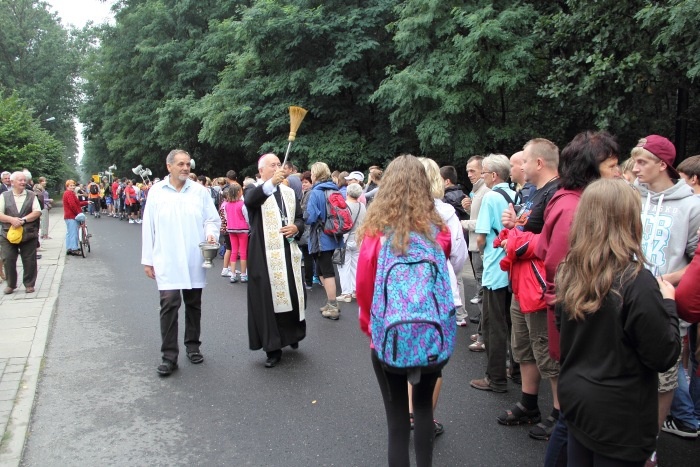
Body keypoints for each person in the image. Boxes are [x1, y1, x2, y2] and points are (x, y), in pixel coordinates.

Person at [556, 178, 680, 466]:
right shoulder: (636, 282)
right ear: (630, 220)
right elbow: (662, 354)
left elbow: (564, 329)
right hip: (620, 416)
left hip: (577, 401)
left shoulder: (569, 270)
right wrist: (669, 304)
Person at [356, 154, 452, 467]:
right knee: (423, 410)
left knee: (397, 422)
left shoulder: (375, 236)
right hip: (430, 337)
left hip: (388, 337)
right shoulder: (439, 233)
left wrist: (371, 326)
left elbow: (365, 289)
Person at [535, 130, 620, 465]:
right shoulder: (575, 207)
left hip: (571, 318)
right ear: (591, 168)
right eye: (611, 165)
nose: (618, 172)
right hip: (577, 320)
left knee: (574, 418)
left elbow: (543, 247)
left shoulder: (566, 198)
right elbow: (557, 263)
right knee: (573, 418)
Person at [631, 135, 700, 446]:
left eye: (642, 161)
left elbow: (696, 261)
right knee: (629, 375)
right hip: (629, 302)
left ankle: (650, 444)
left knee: (664, 378)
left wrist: (666, 280)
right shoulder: (633, 197)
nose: (634, 168)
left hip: (664, 304)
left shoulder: (692, 205)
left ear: (663, 165)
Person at [497, 138, 562, 440]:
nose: (519, 166)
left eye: (523, 161)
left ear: (538, 163)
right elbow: (525, 231)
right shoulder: (534, 194)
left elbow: (549, 243)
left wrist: (516, 239)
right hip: (522, 282)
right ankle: (529, 403)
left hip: (538, 285)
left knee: (547, 351)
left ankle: (560, 414)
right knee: (523, 346)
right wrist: (513, 228)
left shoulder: (557, 194)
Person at [141, 149, 221, 377]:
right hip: (166, 257)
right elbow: (149, 226)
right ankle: (169, 356)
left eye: (188, 164)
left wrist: (211, 234)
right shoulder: (157, 192)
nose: (186, 168)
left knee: (194, 303)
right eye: (181, 164)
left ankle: (193, 346)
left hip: (194, 256)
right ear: (169, 167)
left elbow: (211, 219)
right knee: (169, 304)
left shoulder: (199, 192)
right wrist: (148, 259)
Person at [245, 153, 306, 368]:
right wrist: (271, 182)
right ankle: (273, 347)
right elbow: (252, 201)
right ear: (261, 170)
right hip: (264, 255)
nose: (277, 168)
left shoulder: (289, 192)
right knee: (268, 300)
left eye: (279, 164)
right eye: (272, 165)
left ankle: (292, 336)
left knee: (291, 295)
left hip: (288, 254)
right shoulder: (254, 189)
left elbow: (300, 217)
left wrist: (296, 227)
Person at [469, 154, 516, 394]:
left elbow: (481, 236)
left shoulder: (490, 197)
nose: (483, 176)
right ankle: (516, 371)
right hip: (514, 269)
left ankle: (495, 377)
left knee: (492, 325)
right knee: (514, 322)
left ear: (494, 175)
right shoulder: (516, 194)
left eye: (484, 173)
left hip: (495, 269)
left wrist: (484, 250)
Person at [305, 161, 344, 320]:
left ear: (316, 174)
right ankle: (330, 301)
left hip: (321, 237)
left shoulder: (316, 192)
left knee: (326, 271)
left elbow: (311, 216)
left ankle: (333, 306)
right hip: (334, 234)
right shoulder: (335, 190)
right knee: (321, 270)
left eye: (312, 173)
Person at [461, 156, 490, 329]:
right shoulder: (478, 190)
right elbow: (478, 215)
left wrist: (461, 224)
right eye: (468, 171)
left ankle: (484, 326)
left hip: (480, 245)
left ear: (483, 169)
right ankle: (483, 322)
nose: (469, 174)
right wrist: (468, 209)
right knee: (480, 284)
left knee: (481, 285)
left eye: (473, 170)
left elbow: (483, 222)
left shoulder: (485, 191)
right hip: (475, 244)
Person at [0, 171, 41, 294]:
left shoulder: (32, 195)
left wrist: (23, 220)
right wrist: (12, 220)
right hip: (8, 234)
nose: (23, 182)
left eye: (24, 180)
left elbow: (37, 212)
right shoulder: (4, 196)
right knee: (8, 258)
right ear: (12, 182)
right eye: (20, 180)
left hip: (28, 233)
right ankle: (11, 284)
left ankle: (29, 284)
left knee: (29, 259)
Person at [335, 182, 365, 302]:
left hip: (345, 240)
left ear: (347, 193)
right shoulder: (362, 206)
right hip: (358, 239)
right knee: (355, 266)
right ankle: (355, 290)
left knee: (343, 266)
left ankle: (346, 293)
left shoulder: (344, 207)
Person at [225, 183, 249, 283]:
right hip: (242, 229)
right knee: (243, 252)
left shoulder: (226, 204)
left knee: (234, 251)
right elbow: (247, 217)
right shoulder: (242, 204)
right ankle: (243, 274)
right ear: (239, 192)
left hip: (231, 229)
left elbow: (226, 217)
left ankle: (233, 274)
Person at [63, 179, 88, 256]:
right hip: (72, 216)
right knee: (74, 233)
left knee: (69, 233)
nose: (73, 187)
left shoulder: (67, 193)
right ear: (67, 186)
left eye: (73, 185)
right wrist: (78, 214)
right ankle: (74, 249)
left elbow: (76, 204)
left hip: (68, 216)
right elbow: (73, 205)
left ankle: (69, 248)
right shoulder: (69, 193)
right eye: (71, 185)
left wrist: (86, 202)